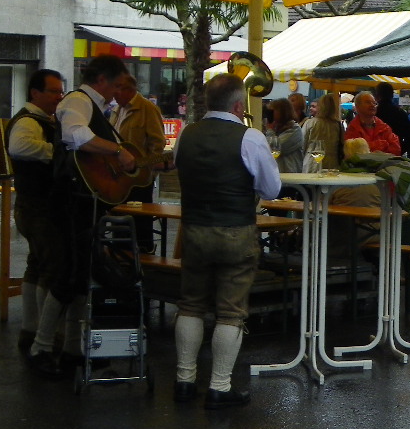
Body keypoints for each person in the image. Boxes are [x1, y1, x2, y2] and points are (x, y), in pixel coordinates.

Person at [173, 73, 281, 408]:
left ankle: (184, 381)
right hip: (235, 230)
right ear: (237, 105)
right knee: (230, 311)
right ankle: (219, 387)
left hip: (194, 230)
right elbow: (271, 189)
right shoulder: (250, 137)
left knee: (191, 304)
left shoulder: (186, 135)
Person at [27, 55, 137, 376]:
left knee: (80, 276)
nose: (118, 92)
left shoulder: (96, 107)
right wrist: (117, 150)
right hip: (69, 204)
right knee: (67, 275)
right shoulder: (78, 100)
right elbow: (75, 135)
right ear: (101, 80)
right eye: (116, 85)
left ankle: (73, 349)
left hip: (84, 203)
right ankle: (40, 347)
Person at [5, 69, 64, 354]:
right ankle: (45, 336)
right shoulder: (29, 121)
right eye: (53, 91)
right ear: (35, 93)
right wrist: (59, 153)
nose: (59, 97)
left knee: (36, 265)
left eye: (60, 91)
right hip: (38, 205)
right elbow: (18, 147)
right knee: (51, 268)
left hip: (34, 205)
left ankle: (30, 330)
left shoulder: (43, 120)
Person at [112, 72, 167, 254]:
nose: (113, 93)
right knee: (120, 223)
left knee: (139, 225)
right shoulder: (117, 109)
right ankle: (121, 256)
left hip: (139, 180)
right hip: (119, 177)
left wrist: (145, 170)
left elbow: (157, 145)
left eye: (117, 89)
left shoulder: (147, 109)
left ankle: (143, 255)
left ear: (128, 90)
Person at [345, 91, 403, 156]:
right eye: (368, 102)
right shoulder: (352, 129)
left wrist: (368, 146)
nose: (372, 105)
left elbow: (396, 149)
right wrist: (381, 145)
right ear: (357, 107)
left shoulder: (384, 127)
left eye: (374, 103)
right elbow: (355, 153)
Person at [266, 97, 304, 175]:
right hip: (275, 173)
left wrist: (270, 131)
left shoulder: (294, 129)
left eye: (273, 111)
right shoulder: (275, 128)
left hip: (290, 175)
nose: (270, 114)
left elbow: (276, 147)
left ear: (282, 112)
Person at [372, 81, 409, 154]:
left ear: (377, 96)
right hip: (395, 153)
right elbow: (409, 138)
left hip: (375, 154)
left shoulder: (372, 114)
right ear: (392, 95)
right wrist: (400, 151)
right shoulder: (401, 113)